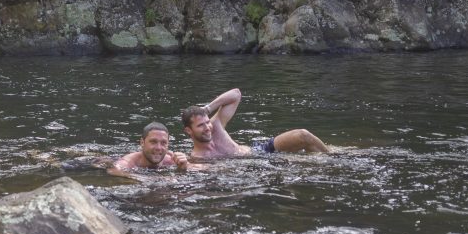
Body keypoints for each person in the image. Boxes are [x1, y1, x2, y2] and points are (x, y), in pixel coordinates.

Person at [181, 88, 330, 160]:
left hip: (261, 151)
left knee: (303, 136)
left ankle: (333, 157)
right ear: (189, 131)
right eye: (201, 125)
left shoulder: (216, 125)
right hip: (255, 169)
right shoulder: (197, 157)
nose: (207, 128)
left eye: (207, 122)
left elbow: (236, 94)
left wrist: (207, 109)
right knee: (309, 159)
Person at [109, 121, 191, 175]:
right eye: (153, 142)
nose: (159, 148)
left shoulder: (171, 161)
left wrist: (182, 169)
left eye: (163, 143)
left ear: (168, 144)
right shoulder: (128, 163)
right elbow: (113, 171)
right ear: (142, 142)